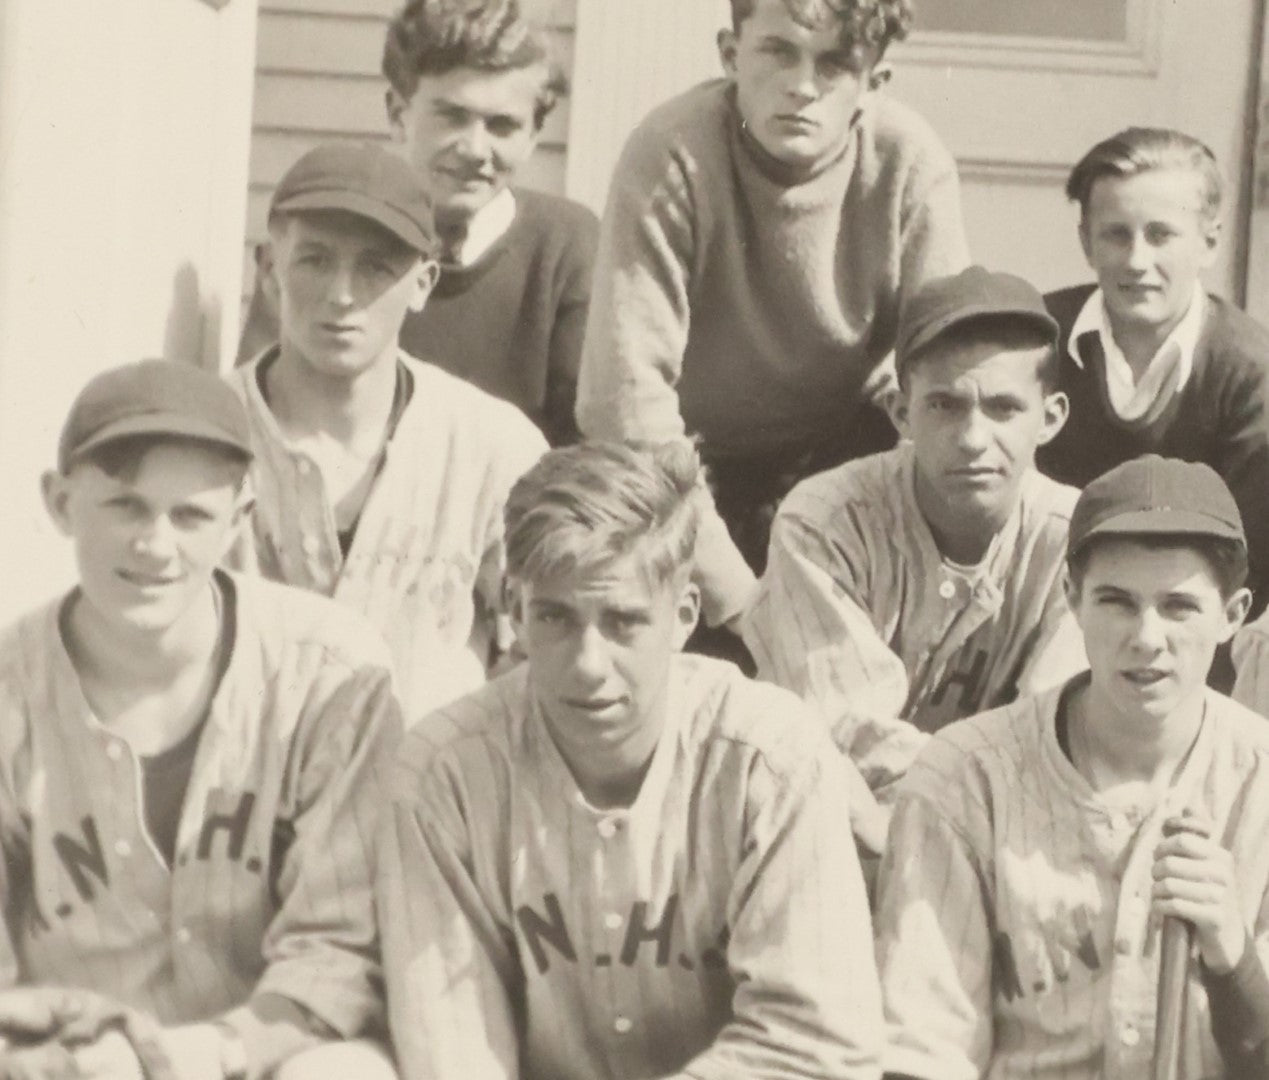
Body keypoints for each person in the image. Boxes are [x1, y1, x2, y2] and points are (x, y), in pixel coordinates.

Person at [377, 441, 883, 1080]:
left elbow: (817, 1046)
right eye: (556, 618)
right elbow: (451, 1054)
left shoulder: (770, 758)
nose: (588, 665)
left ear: (684, 616)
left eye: (623, 622)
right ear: (513, 610)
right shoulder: (443, 775)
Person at [0, 360, 400, 1079]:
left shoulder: (326, 672)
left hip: (264, 1055)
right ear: (60, 503)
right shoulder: (9, 689)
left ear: (239, 520)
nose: (155, 546)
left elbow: (338, 948)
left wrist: (208, 1052)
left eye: (190, 515)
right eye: (124, 505)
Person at [576, 0, 970, 646]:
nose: (801, 86)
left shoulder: (909, 163)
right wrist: (737, 600)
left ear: (874, 82)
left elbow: (947, 372)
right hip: (692, 467)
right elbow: (622, 403)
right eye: (778, 52)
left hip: (846, 458)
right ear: (730, 54)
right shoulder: (672, 152)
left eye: (835, 63)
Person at [876, 454, 1269, 1079]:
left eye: (1179, 607)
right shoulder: (963, 779)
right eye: (1116, 601)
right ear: (1071, 599)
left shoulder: (1259, 780)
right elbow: (923, 1051)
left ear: (1233, 614)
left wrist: (1235, 959)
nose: (1146, 636)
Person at [744, 267, 1085, 842]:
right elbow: (845, 728)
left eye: (1003, 408)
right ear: (902, 414)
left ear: (1049, 419)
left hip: (1005, 829)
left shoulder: (1080, 539)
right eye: (945, 406)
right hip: (844, 825)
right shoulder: (827, 519)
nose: (974, 438)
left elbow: (1055, 735)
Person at [232, 141, 546, 722]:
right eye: (315, 260)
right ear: (270, 271)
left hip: (425, 785)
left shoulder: (493, 447)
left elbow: (546, 645)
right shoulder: (210, 436)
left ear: (423, 283)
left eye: (375, 267)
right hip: (245, 787)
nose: (342, 295)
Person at [238, 0, 599, 448]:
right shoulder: (329, 230)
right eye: (452, 116)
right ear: (397, 113)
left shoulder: (568, 249)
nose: (473, 148)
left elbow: (586, 447)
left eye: (502, 126)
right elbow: (255, 417)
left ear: (533, 136)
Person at [1039, 126, 1269, 611]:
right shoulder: (1037, 340)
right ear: (1086, 242)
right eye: (1116, 235)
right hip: (1046, 606)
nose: (1137, 260)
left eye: (1161, 235)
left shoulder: (1251, 374)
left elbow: (1251, 561)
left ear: (1209, 242)